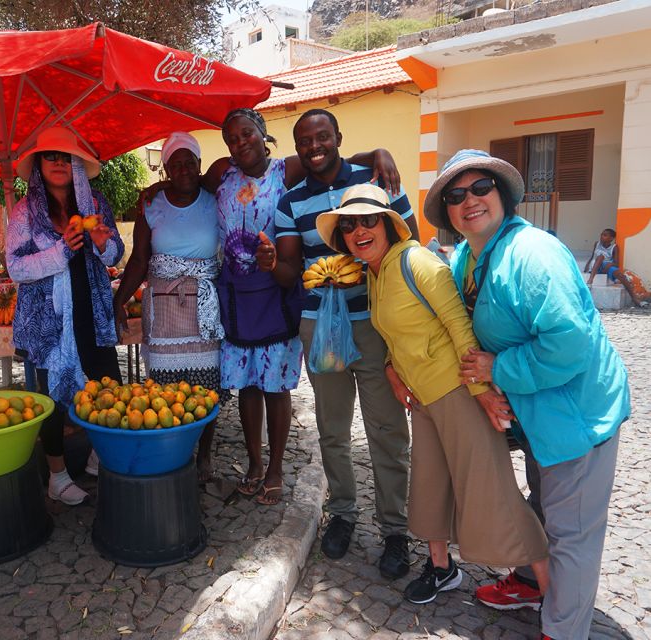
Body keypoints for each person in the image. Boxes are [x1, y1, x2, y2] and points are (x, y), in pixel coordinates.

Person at [423, 149, 630, 640]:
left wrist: (500, 368)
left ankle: (563, 630)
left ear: (503, 194)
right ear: (448, 212)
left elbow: (570, 343)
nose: (469, 200)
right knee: (541, 503)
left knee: (571, 531)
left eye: (480, 188)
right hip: (537, 413)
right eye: (456, 195)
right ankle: (530, 583)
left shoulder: (532, 255)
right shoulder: (470, 259)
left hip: (578, 415)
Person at [318, 182, 549, 604]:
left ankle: (552, 594)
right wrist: (390, 369)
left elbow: (457, 323)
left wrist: (481, 391)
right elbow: (394, 333)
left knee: (492, 490)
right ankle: (442, 568)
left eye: (369, 220)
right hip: (423, 399)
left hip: (457, 390)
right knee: (429, 487)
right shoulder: (375, 272)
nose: (359, 231)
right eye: (349, 225)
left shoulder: (416, 261)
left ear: (388, 224)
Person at [256, 109, 414, 578]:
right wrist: (271, 264)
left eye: (322, 136)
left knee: (387, 429)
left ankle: (395, 528)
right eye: (305, 140)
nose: (314, 145)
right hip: (318, 325)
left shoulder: (375, 177)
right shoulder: (290, 202)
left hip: (375, 323)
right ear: (298, 148)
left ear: (339, 137)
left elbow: (411, 244)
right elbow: (290, 271)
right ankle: (343, 513)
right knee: (333, 428)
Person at [7, 127, 124, 506]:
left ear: (76, 164)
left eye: (65, 156)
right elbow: (15, 266)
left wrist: (105, 245)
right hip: (47, 320)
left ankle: (97, 457)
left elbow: (116, 253)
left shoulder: (94, 205)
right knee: (53, 397)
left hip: (92, 311)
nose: (58, 162)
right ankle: (57, 476)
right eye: (50, 156)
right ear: (39, 165)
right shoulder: (25, 213)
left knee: (110, 386)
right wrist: (60, 251)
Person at [113, 132, 227, 483]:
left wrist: (164, 182)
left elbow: (228, 164)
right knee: (164, 386)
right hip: (163, 308)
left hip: (204, 305)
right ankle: (172, 451)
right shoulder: (151, 206)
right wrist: (118, 300)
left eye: (188, 163)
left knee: (207, 385)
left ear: (199, 165)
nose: (182, 170)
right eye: (173, 165)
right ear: (165, 169)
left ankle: (204, 454)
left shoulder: (215, 198)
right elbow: (139, 260)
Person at [584, 228, 649, 308]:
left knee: (621, 276)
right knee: (600, 257)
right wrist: (587, 266)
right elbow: (592, 256)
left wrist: (610, 264)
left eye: (604, 235)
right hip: (595, 267)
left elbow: (616, 263)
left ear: (611, 238)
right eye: (601, 234)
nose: (601, 237)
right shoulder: (597, 244)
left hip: (606, 267)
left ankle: (635, 298)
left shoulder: (614, 247)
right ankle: (590, 281)